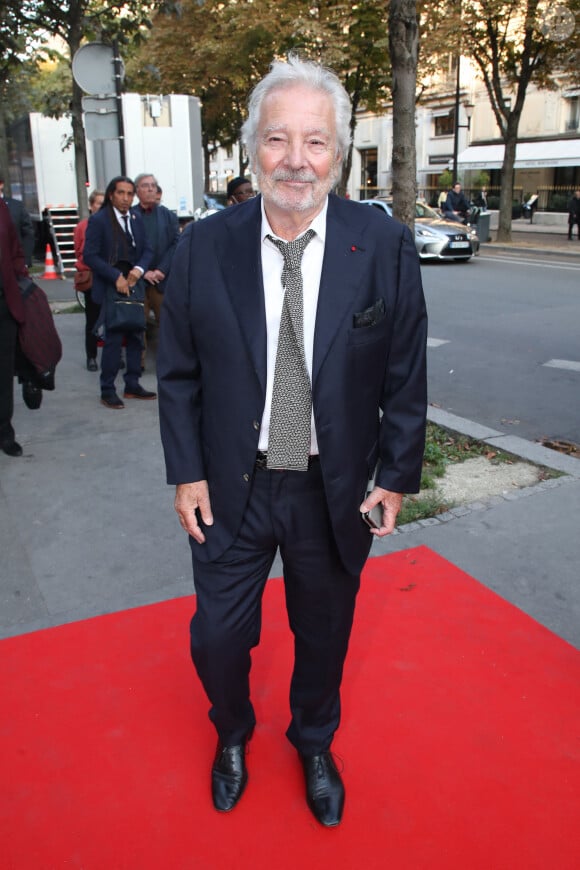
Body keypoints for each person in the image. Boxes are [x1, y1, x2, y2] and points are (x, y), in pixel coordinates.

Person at [157, 55, 427, 828]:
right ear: (253, 148)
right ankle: (232, 734)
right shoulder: (204, 248)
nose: (296, 160)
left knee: (324, 633)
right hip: (230, 482)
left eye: (315, 141)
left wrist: (394, 475)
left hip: (331, 485)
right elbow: (177, 374)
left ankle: (313, 741)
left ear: (339, 151)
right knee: (216, 637)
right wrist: (186, 473)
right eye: (278, 139)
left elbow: (404, 373)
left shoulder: (382, 244)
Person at [84, 176, 156, 409]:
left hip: (134, 284)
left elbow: (147, 249)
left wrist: (138, 270)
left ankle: (132, 384)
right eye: (121, 193)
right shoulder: (99, 220)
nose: (126, 198)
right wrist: (115, 277)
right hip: (110, 286)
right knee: (114, 340)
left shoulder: (135, 218)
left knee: (136, 335)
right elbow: (90, 256)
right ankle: (108, 389)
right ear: (111, 195)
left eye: (129, 194)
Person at [131, 173, 180, 369]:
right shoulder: (130, 216)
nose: (151, 189)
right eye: (146, 185)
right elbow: (127, 247)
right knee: (137, 325)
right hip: (138, 280)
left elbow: (176, 244)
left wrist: (161, 269)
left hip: (162, 280)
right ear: (137, 191)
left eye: (153, 185)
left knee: (167, 326)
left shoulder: (167, 215)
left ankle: (168, 363)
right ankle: (138, 363)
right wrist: (143, 272)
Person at [0, 198, 28, 457]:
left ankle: (5, 432)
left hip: (3, 303)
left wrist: (21, 275)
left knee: (4, 371)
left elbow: (15, 250)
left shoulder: (2, 208)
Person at [74, 189, 105, 371]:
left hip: (108, 277)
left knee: (112, 320)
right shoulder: (82, 227)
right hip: (92, 278)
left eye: (104, 203)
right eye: (98, 203)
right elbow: (79, 251)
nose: (101, 207)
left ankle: (115, 355)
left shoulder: (112, 224)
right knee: (92, 320)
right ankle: (91, 357)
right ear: (91, 206)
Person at [0, 175, 35, 266]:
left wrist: (26, 260)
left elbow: (28, 234)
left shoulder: (16, 207)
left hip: (13, 264)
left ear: (1, 185)